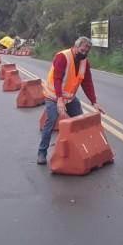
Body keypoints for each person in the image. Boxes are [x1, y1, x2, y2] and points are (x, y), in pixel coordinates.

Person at [37, 36, 105, 165]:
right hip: (53, 96)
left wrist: (94, 102)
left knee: (80, 121)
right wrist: (59, 100)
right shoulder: (62, 57)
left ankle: (84, 151)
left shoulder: (85, 62)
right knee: (51, 121)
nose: (84, 53)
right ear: (75, 47)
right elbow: (57, 80)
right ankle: (41, 152)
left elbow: (87, 83)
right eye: (82, 50)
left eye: (87, 51)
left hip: (70, 98)